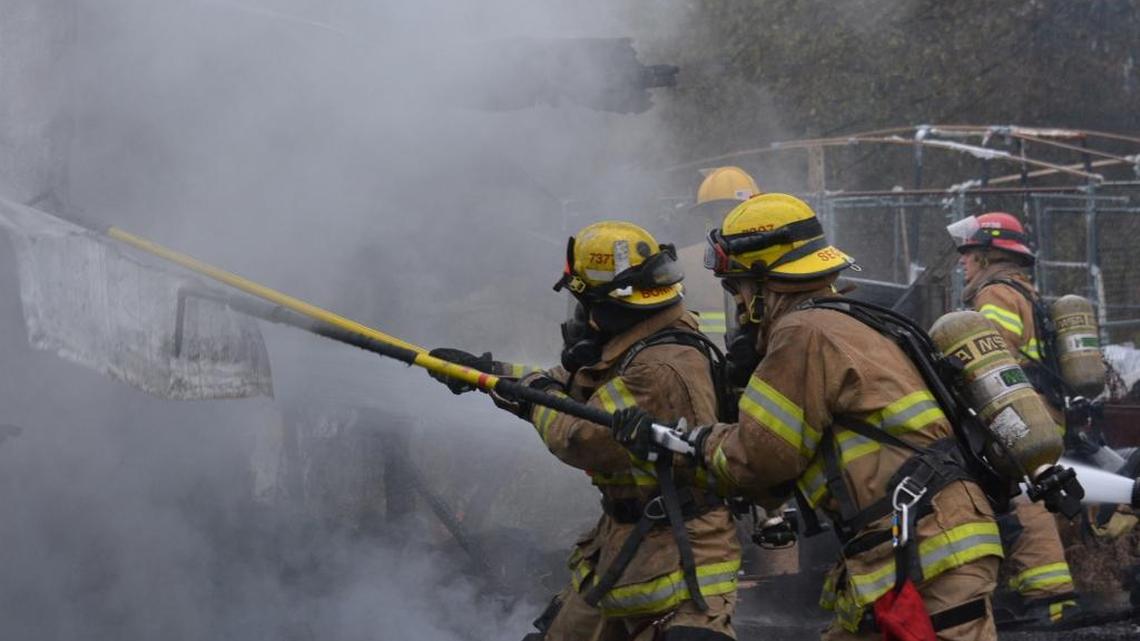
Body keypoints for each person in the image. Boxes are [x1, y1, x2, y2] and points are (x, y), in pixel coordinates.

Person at [616, 194, 1004, 640]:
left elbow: (760, 463)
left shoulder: (802, 333)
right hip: (912, 540)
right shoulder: (848, 319)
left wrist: (682, 442)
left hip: (928, 547)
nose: (738, 304)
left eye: (737, 286)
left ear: (764, 283)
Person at [429, 220, 741, 641]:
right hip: (624, 547)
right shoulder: (639, 343)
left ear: (610, 306)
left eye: (584, 304)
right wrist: (490, 375)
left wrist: (536, 394)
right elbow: (570, 384)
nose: (580, 319)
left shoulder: (657, 368)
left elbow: (576, 436)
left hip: (675, 559)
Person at [952, 212, 1080, 624]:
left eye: (969, 254)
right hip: (1043, 408)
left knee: (1027, 500)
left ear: (989, 256)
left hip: (1022, 413)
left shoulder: (995, 296)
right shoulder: (1022, 290)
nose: (963, 262)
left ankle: (1050, 595)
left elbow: (992, 358)